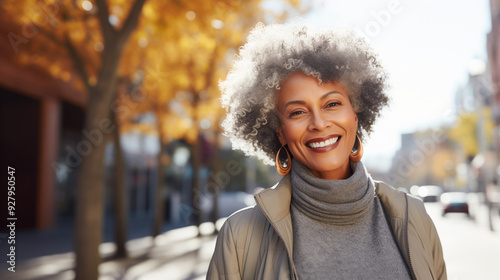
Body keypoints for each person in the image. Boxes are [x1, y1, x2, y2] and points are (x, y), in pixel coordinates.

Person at [207, 22, 446, 280]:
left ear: (356, 116)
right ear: (280, 132)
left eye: (332, 104)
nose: (319, 123)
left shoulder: (414, 217)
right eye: (297, 112)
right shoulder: (239, 236)